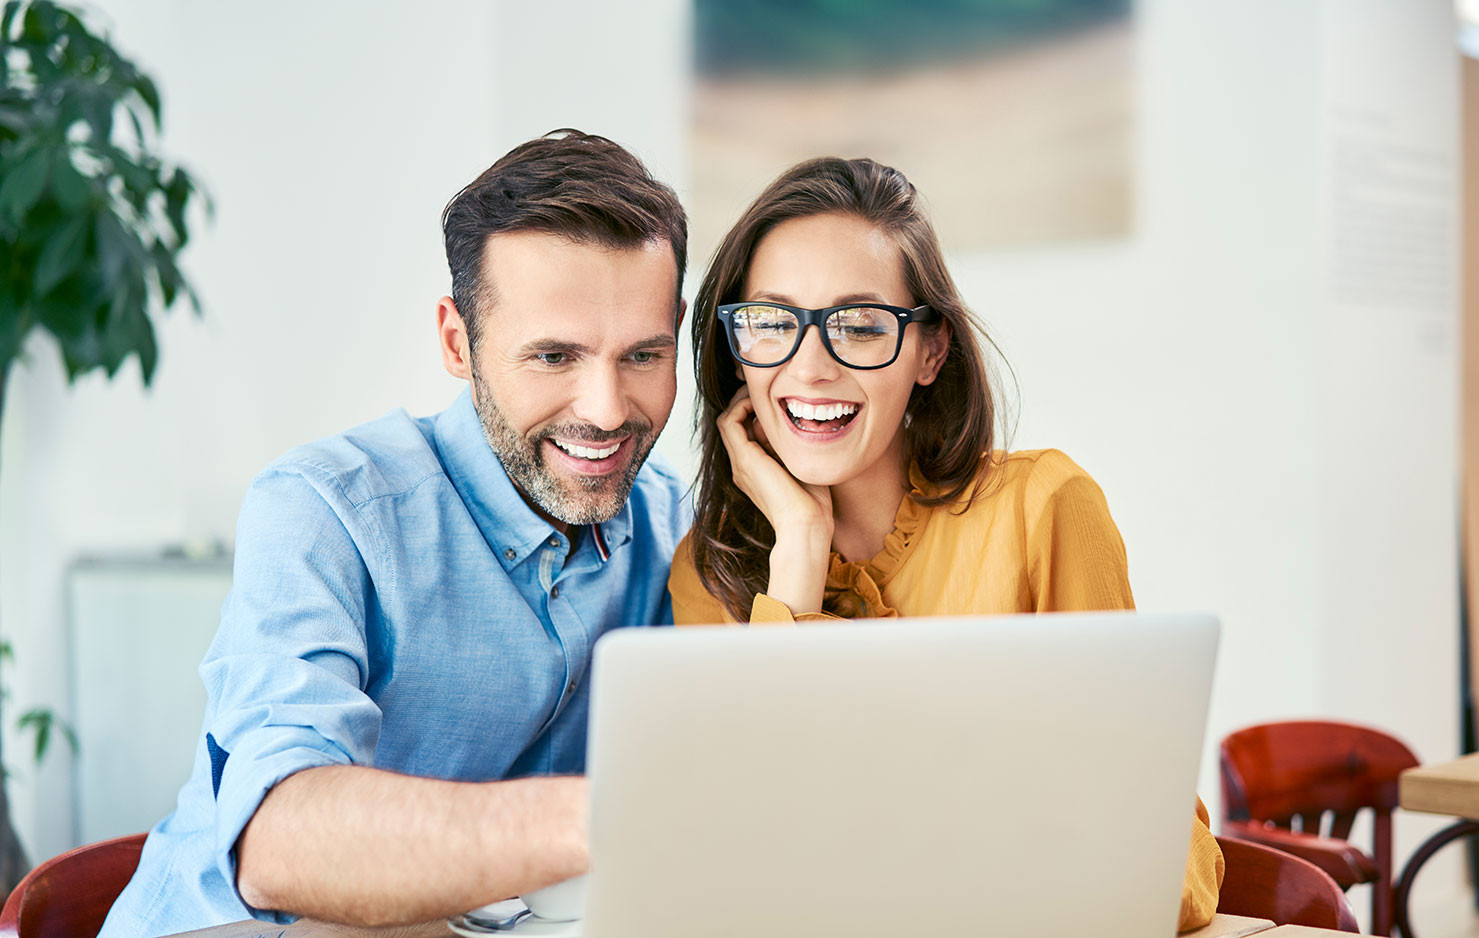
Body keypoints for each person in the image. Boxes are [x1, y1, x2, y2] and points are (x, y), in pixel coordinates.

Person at [100, 129, 691, 937]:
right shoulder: (324, 509)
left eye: (643, 356)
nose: (606, 409)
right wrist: (609, 820)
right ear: (458, 342)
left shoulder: (670, 521)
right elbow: (281, 841)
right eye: (553, 356)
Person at [667, 156, 1225, 931]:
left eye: (861, 325)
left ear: (930, 352)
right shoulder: (712, 569)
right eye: (771, 322)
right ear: (736, 353)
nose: (811, 364)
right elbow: (755, 859)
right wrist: (799, 545)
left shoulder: (1044, 509)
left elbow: (1169, 868)